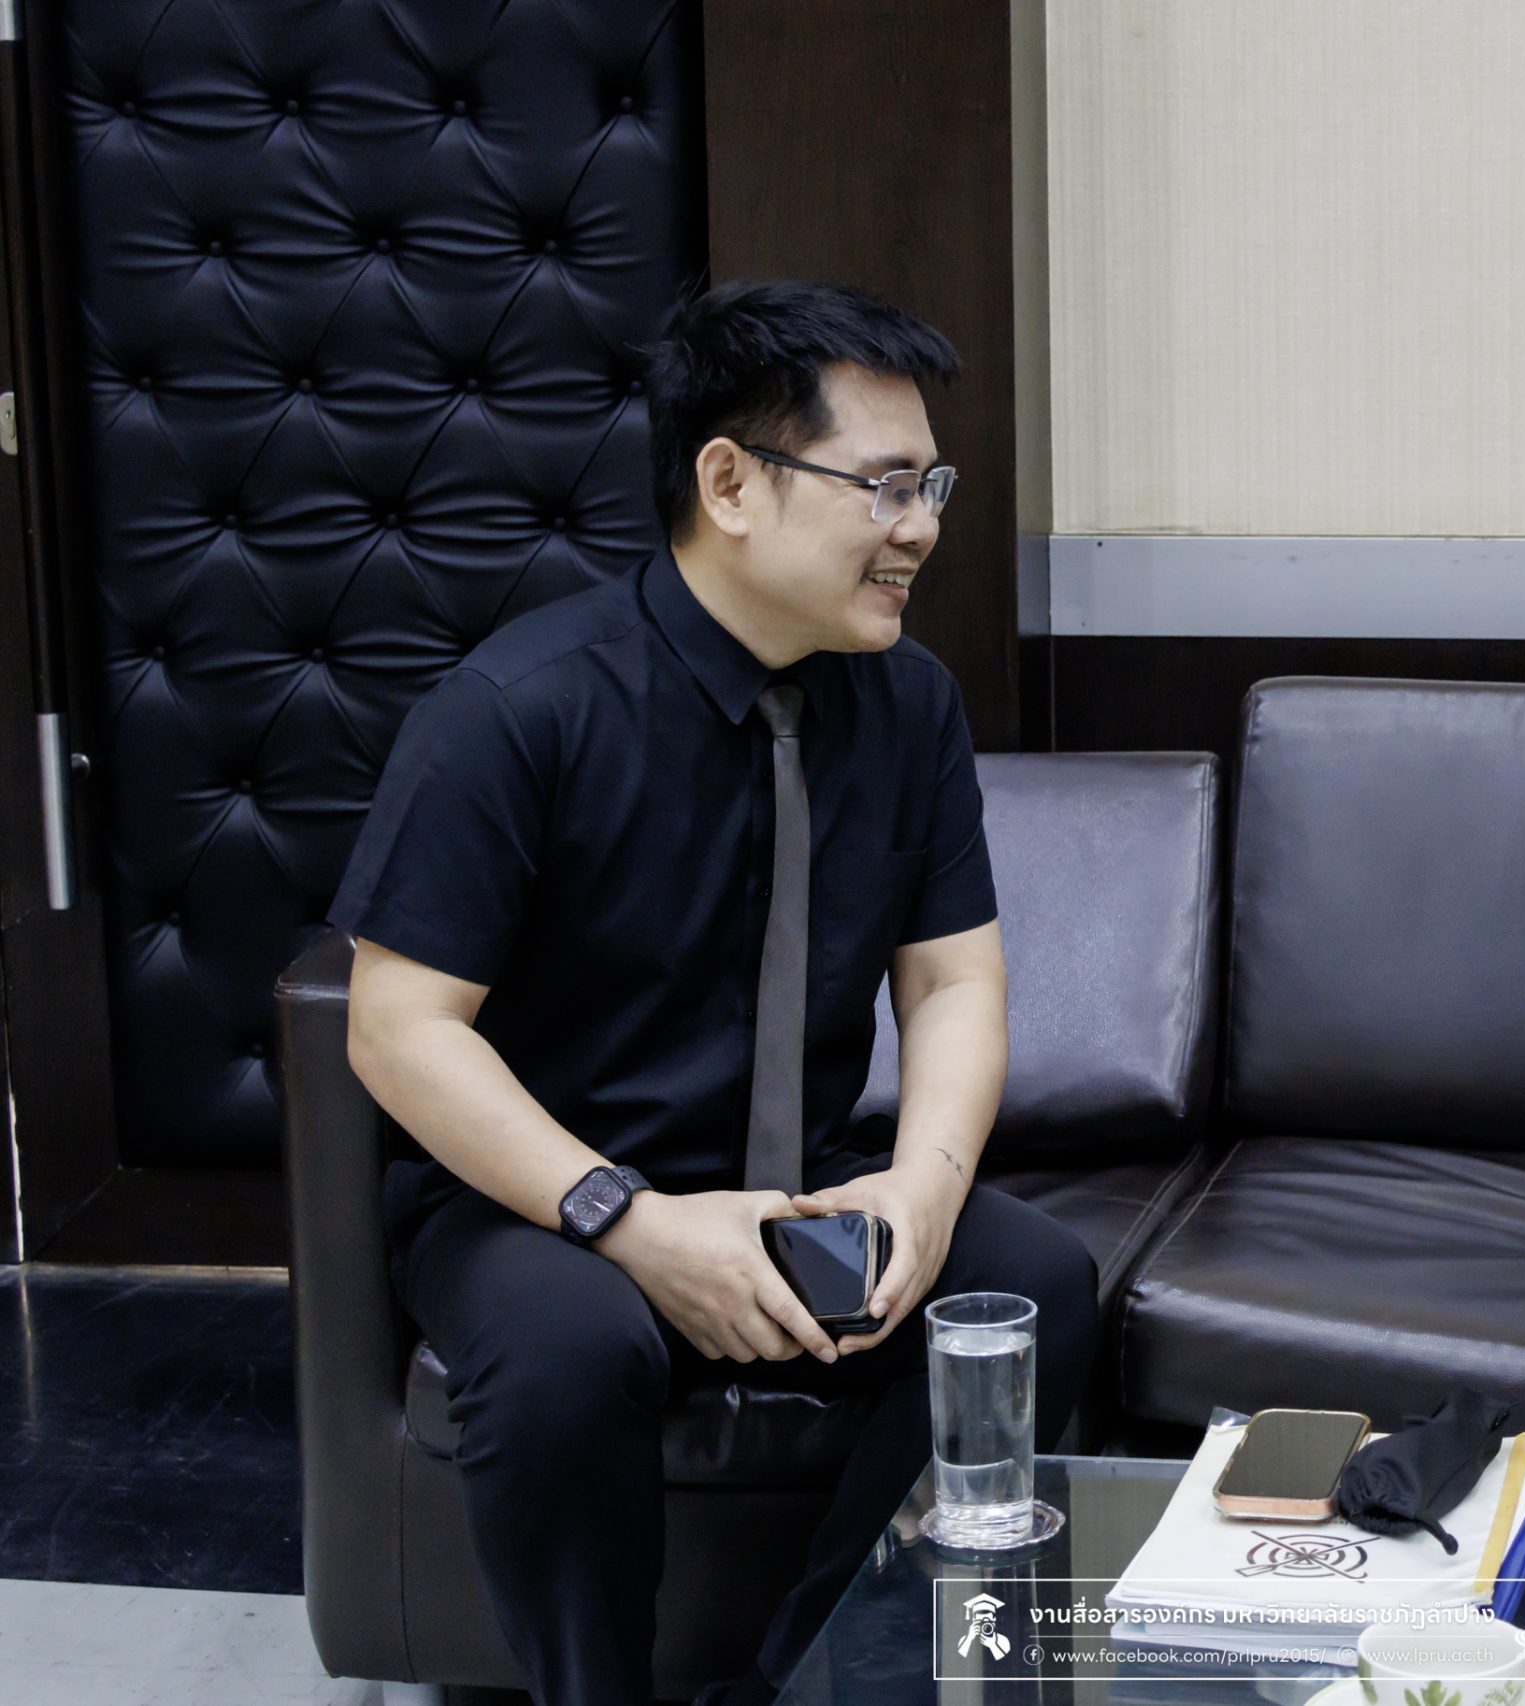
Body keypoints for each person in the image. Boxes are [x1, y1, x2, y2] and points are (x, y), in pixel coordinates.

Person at [331, 280, 1098, 1706]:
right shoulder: (520, 710)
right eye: (883, 485)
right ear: (731, 483)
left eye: (930, 485)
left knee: (1026, 1286)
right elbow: (397, 1024)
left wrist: (921, 1193)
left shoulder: (910, 704)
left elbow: (953, 983)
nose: (922, 526)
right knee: (569, 1349)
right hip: (541, 1205)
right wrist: (627, 1218)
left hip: (796, 1182)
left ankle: (806, 1682)